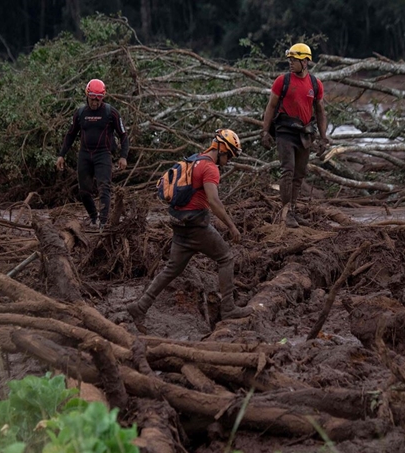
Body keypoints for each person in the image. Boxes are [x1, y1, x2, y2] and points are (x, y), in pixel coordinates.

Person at [126, 129, 253, 334]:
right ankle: (228, 308)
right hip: (197, 226)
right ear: (220, 148)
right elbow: (213, 201)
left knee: (171, 269)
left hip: (180, 224)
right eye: (228, 154)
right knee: (226, 258)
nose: (228, 160)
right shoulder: (211, 168)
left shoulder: (195, 160)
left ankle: (140, 306)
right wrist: (231, 225)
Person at [261, 43, 329, 228]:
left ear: (305, 62)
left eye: (294, 60)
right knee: (288, 170)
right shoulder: (282, 81)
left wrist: (324, 137)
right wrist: (265, 131)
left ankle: (292, 210)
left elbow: (321, 111)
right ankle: (286, 212)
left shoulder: (315, 84)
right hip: (284, 132)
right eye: (289, 60)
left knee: (299, 175)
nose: (290, 63)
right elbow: (271, 107)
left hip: (304, 134)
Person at [56, 79, 129, 230]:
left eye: (98, 99)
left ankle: (103, 223)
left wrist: (123, 156)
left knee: (104, 188)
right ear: (87, 96)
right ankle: (94, 218)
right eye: (92, 98)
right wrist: (61, 154)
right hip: (85, 154)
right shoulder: (80, 113)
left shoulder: (111, 112)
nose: (95, 102)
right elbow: (70, 134)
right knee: (84, 192)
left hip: (103, 154)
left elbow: (123, 135)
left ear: (103, 98)